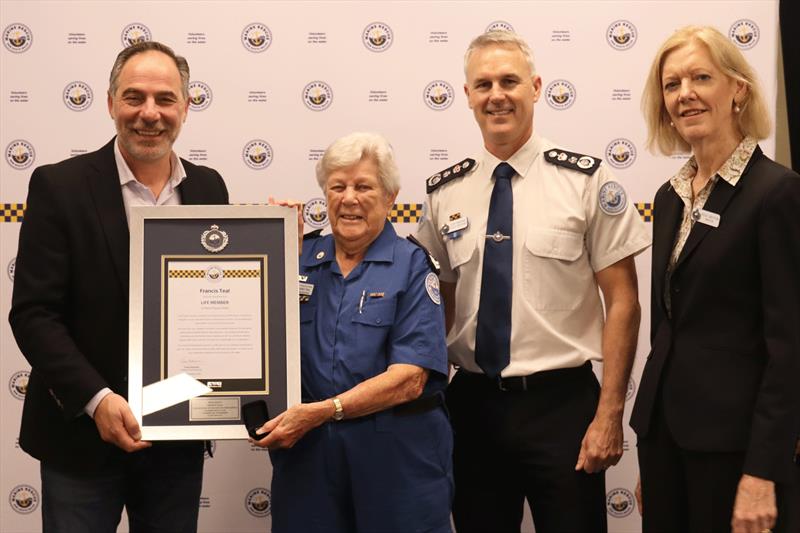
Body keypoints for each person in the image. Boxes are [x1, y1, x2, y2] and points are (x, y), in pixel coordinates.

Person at [414, 30, 651, 532]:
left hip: (561, 406)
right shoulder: (443, 193)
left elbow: (624, 302)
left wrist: (609, 412)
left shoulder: (586, 181)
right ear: (467, 96)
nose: (496, 95)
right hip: (473, 403)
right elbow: (440, 302)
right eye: (483, 84)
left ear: (537, 87)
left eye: (509, 81)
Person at [9, 41, 229, 532]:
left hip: (177, 442)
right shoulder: (58, 186)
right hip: (82, 442)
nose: (149, 113)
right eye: (134, 97)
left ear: (186, 108)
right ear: (110, 103)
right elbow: (33, 314)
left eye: (165, 99)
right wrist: (98, 399)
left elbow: (220, 306)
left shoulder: (210, 188)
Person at [629, 25, 800, 533]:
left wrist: (762, 472)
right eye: (672, 84)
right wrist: (655, 449)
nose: (685, 95)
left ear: (738, 89)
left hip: (736, 449)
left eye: (701, 77)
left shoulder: (778, 194)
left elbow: (790, 347)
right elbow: (670, 326)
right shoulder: (669, 197)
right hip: (666, 442)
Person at [253, 132, 453, 533]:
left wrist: (325, 412)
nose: (349, 198)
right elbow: (247, 334)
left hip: (397, 455)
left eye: (364, 186)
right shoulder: (298, 257)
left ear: (391, 197)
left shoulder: (412, 265)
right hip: (308, 459)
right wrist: (270, 249)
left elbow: (411, 379)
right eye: (337, 186)